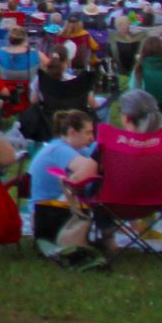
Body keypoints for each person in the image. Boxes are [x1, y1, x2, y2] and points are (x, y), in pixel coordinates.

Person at [26, 109, 98, 256]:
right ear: (72, 132)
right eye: (88, 133)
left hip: (54, 209)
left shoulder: (76, 149)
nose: (92, 138)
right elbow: (89, 168)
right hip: (47, 213)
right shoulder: (59, 150)